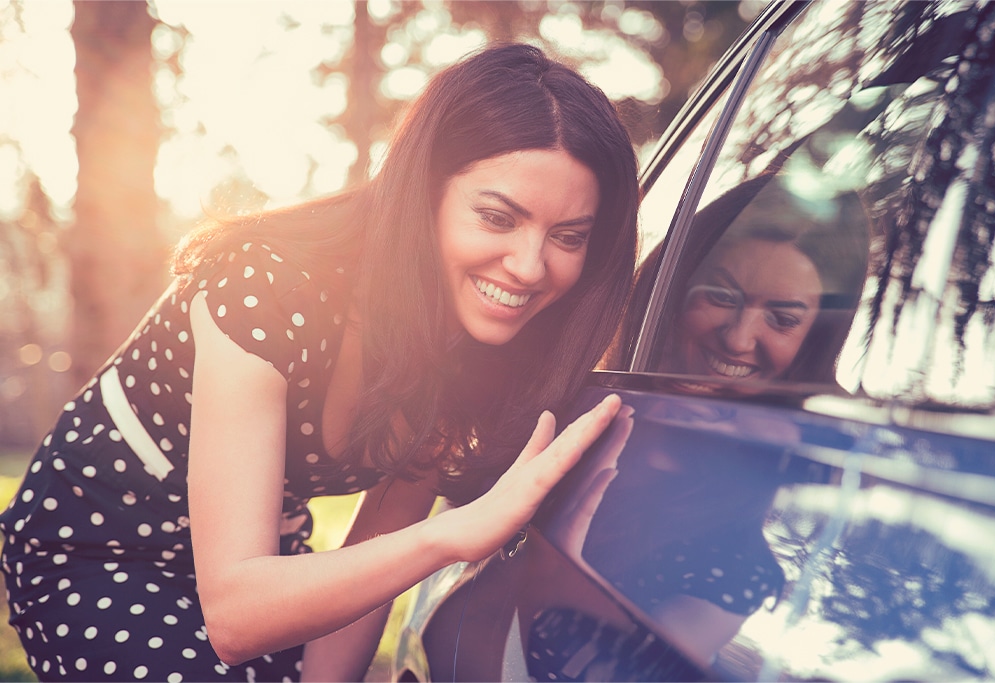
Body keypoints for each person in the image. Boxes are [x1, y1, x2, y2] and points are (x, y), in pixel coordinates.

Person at [0, 43, 638, 682]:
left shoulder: (475, 345)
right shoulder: (265, 285)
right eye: (498, 217)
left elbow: (376, 549)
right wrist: (457, 535)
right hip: (99, 546)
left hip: (263, 560)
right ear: (424, 194)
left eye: (568, 237)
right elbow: (238, 612)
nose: (530, 267)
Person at [660, 176, 870, 385]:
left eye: (782, 319)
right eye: (721, 296)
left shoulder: (834, 418)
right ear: (677, 285)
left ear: (816, 340)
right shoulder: (630, 382)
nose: (737, 341)